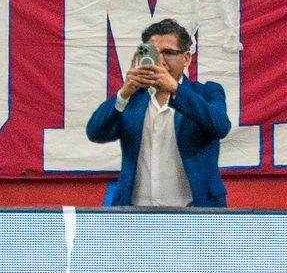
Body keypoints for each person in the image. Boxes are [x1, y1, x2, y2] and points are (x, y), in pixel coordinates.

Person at [84, 18, 230, 207]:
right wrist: (124, 92)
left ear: (186, 58)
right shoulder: (132, 98)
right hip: (136, 216)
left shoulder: (207, 92)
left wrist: (175, 89)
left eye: (168, 53)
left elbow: (220, 126)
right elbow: (95, 132)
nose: (161, 60)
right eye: (154, 53)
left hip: (195, 214)